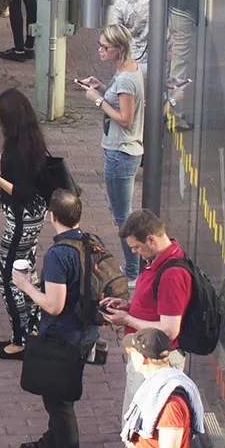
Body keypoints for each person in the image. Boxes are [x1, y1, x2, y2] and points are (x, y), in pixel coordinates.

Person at [96, 208, 189, 448]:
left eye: (136, 247)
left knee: (145, 436)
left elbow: (170, 329)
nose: (135, 253)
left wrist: (129, 321)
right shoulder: (158, 263)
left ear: (151, 239)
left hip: (158, 365)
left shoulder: (174, 272)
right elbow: (153, 308)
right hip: (144, 361)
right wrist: (129, 307)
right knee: (134, 430)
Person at [0, 87, 64, 360]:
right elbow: (22, 173)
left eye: (0, 117)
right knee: (27, 272)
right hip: (33, 217)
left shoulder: (17, 146)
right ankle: (32, 329)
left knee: (8, 279)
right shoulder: (28, 141)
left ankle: (21, 338)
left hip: (21, 220)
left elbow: (21, 189)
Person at [12, 188, 92, 448]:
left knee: (58, 401)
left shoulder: (59, 254)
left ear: (51, 216)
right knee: (59, 394)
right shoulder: (89, 243)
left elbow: (54, 305)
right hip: (83, 330)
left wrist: (26, 286)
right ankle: (52, 442)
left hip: (62, 335)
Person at [79, 25, 143, 271]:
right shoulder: (126, 70)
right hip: (121, 151)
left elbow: (126, 118)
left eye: (105, 47)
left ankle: (132, 269)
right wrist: (103, 90)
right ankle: (134, 266)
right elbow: (121, 101)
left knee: (122, 217)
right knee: (120, 210)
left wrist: (97, 100)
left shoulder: (126, 79)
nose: (100, 50)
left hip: (121, 152)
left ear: (119, 49)